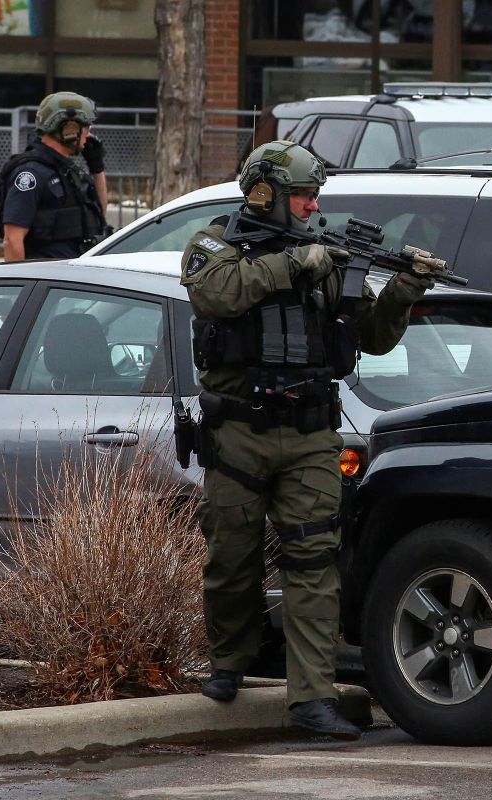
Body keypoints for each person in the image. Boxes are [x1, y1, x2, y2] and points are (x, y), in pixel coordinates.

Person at [181, 140, 438, 739]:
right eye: (301, 195)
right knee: (232, 559)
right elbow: (216, 292)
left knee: (314, 561)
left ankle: (312, 698)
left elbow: (371, 337)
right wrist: (293, 264)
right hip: (238, 432)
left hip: (310, 434)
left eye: (314, 195)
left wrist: (403, 290)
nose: (311, 205)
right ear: (264, 193)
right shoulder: (215, 244)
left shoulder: (325, 255)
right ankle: (232, 660)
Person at [0, 91, 110, 261]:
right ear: (69, 129)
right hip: (46, 280)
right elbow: (12, 240)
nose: (88, 134)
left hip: (69, 276)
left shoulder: (66, 170)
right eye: (86, 127)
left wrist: (97, 168)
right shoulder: (31, 173)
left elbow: (100, 212)